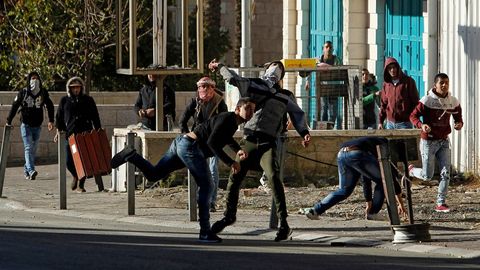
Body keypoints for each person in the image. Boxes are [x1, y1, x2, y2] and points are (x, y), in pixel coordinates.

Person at [110, 97, 256, 243]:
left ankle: (132, 155)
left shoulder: (231, 123)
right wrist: (230, 163)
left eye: (253, 110)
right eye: (248, 108)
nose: (251, 112)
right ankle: (205, 231)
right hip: (191, 147)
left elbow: (224, 138)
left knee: (154, 174)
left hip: (182, 142)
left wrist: (238, 150)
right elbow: (212, 142)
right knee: (207, 185)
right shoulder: (228, 119)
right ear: (238, 109)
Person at [208, 59, 311, 242]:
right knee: (235, 176)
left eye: (278, 69)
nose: (275, 71)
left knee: (273, 176)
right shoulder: (254, 86)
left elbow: (297, 114)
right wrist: (221, 66)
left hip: (267, 143)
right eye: (273, 67)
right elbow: (233, 79)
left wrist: (304, 133)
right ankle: (229, 216)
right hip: (248, 140)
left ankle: (284, 223)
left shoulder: (285, 96)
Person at [303, 136, 406, 221]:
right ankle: (373, 213)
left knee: (344, 190)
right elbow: (389, 177)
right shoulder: (384, 145)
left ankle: (315, 211)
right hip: (356, 153)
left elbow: (366, 178)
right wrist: (400, 203)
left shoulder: (372, 143)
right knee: (383, 181)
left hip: (342, 154)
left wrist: (368, 203)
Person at [409, 73, 463, 213]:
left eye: (446, 82)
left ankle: (441, 202)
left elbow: (458, 116)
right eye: (441, 83)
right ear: (435, 85)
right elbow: (413, 116)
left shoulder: (452, 101)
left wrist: (459, 124)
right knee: (428, 175)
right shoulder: (427, 100)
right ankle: (411, 170)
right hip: (429, 141)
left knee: (446, 173)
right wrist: (421, 125)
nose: (444, 85)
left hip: (444, 140)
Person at [179, 77, 228, 212]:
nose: (204, 90)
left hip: (214, 142)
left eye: (207, 86)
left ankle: (211, 202)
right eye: (201, 87)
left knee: (213, 171)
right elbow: (182, 121)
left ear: (213, 88)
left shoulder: (219, 103)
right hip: (197, 141)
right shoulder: (194, 102)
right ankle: (193, 200)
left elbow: (225, 123)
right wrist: (187, 136)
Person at [54, 77, 102, 192]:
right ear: (69, 89)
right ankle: (76, 175)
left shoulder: (88, 100)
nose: (76, 89)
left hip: (85, 134)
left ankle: (81, 183)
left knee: (84, 160)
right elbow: (59, 118)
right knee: (68, 160)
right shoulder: (64, 101)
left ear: (81, 88)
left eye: (78, 87)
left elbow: (95, 117)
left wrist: (98, 131)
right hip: (70, 135)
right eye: (73, 87)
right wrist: (58, 132)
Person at [6, 71, 55, 180]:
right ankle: (32, 170)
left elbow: (50, 105)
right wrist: (8, 121)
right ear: (29, 80)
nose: (35, 81)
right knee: (28, 147)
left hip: (37, 125)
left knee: (33, 149)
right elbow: (15, 106)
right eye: (32, 78)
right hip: (26, 124)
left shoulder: (43, 92)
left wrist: (51, 120)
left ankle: (26, 170)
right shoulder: (23, 92)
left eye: (37, 78)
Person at [305, 41, 343, 129]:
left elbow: (342, 71)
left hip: (334, 90)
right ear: (323, 49)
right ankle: (323, 129)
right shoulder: (318, 59)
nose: (329, 49)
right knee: (323, 111)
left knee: (333, 113)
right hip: (322, 89)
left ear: (333, 49)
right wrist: (308, 81)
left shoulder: (337, 60)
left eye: (330, 47)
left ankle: (330, 129)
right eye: (326, 47)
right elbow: (309, 68)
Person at [378, 57, 419, 129]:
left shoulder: (408, 82)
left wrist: (415, 120)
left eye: (394, 67)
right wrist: (380, 122)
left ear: (398, 68)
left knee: (405, 140)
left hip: (405, 123)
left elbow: (415, 102)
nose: (392, 70)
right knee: (389, 140)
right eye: (389, 68)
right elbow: (383, 104)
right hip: (390, 123)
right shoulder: (386, 84)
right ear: (386, 70)